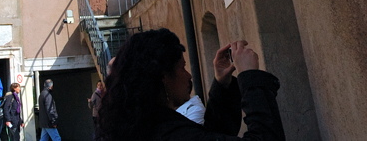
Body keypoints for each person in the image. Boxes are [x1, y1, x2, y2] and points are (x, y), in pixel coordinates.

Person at [97, 28, 286, 141]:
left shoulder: (148, 125)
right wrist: (250, 76)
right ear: (164, 77)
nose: (189, 76)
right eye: (182, 67)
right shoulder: (166, 134)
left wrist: (222, 83)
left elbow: (209, 135)